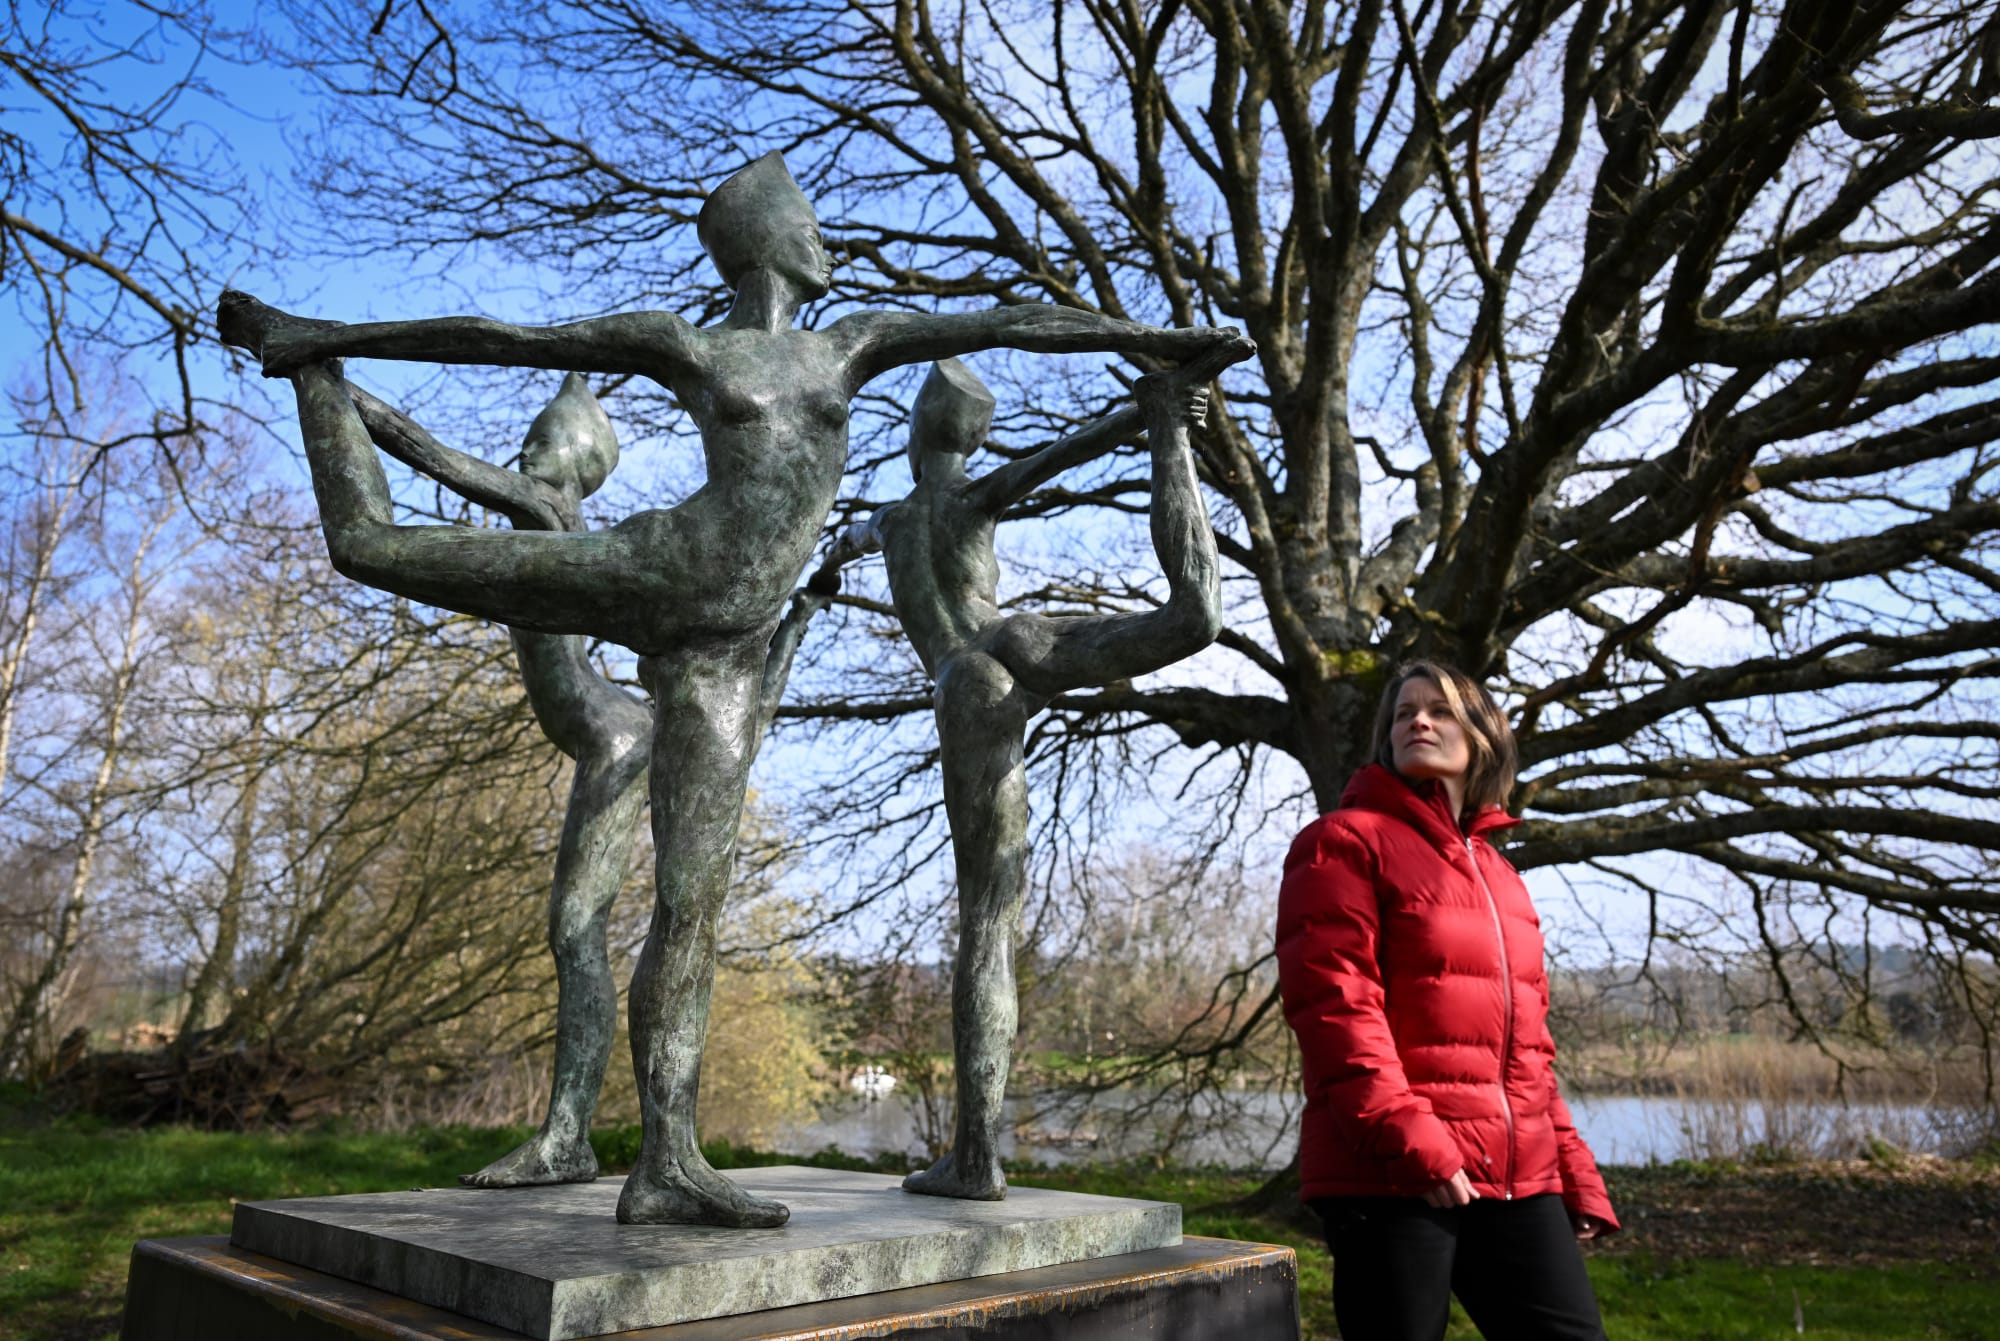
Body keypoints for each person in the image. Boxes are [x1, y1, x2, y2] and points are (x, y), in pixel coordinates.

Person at [217, 149, 1242, 1227]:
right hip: (660, 570)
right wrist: (325, 342)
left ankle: (668, 1159)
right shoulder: (686, 343)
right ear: (768, 239)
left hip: (728, 650)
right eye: (810, 227)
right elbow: (512, 342)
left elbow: (1008, 321)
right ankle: (312, 382)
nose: (828, 245)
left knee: (689, 903)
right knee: (374, 546)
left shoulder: (856, 344)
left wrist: (1150, 347)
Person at [343, 373, 829, 1190]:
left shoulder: (545, 510)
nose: (527, 452)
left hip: (613, 735)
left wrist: (347, 395)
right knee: (575, 931)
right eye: (531, 439)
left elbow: (444, 462)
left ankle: (575, 1135)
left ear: (579, 459)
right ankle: (569, 1134)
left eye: (544, 441)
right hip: (615, 727)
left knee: (575, 928)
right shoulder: (550, 516)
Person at [813, 343, 1250, 1199]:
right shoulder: (973, 495)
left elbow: (853, 537)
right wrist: (1151, 419)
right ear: (973, 437)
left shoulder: (896, 521)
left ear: (914, 441)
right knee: (1195, 618)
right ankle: (1175, 439)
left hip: (968, 676)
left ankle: (974, 1158)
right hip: (1016, 639)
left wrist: (829, 564)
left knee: (987, 921)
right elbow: (1063, 454)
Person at [1275, 660, 1618, 1340]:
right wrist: (1414, 1140)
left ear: (1484, 735)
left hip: (1518, 1179)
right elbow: (1336, 1009)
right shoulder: (1341, 842)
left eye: (1439, 709)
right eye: (1404, 713)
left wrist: (1572, 1170)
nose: (1419, 721)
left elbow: (1528, 1051)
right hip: (1391, 1175)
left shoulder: (1503, 876)